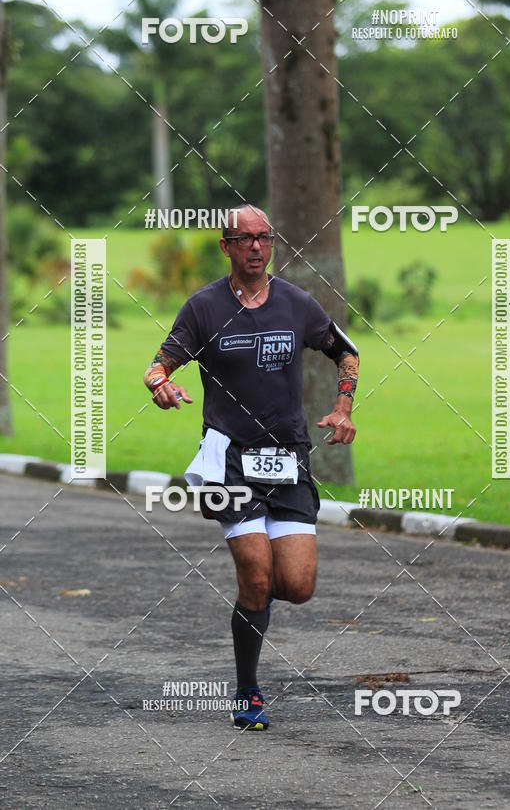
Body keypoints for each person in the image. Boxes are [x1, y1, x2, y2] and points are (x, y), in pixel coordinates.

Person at [143, 204, 359, 730]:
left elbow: (346, 353)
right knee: (257, 576)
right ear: (227, 247)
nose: (257, 247)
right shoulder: (204, 308)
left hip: (288, 458)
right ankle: (248, 692)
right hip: (229, 460)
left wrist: (344, 406)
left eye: (265, 237)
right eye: (245, 239)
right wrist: (161, 388)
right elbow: (158, 365)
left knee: (298, 585)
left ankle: (253, 601)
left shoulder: (295, 303)